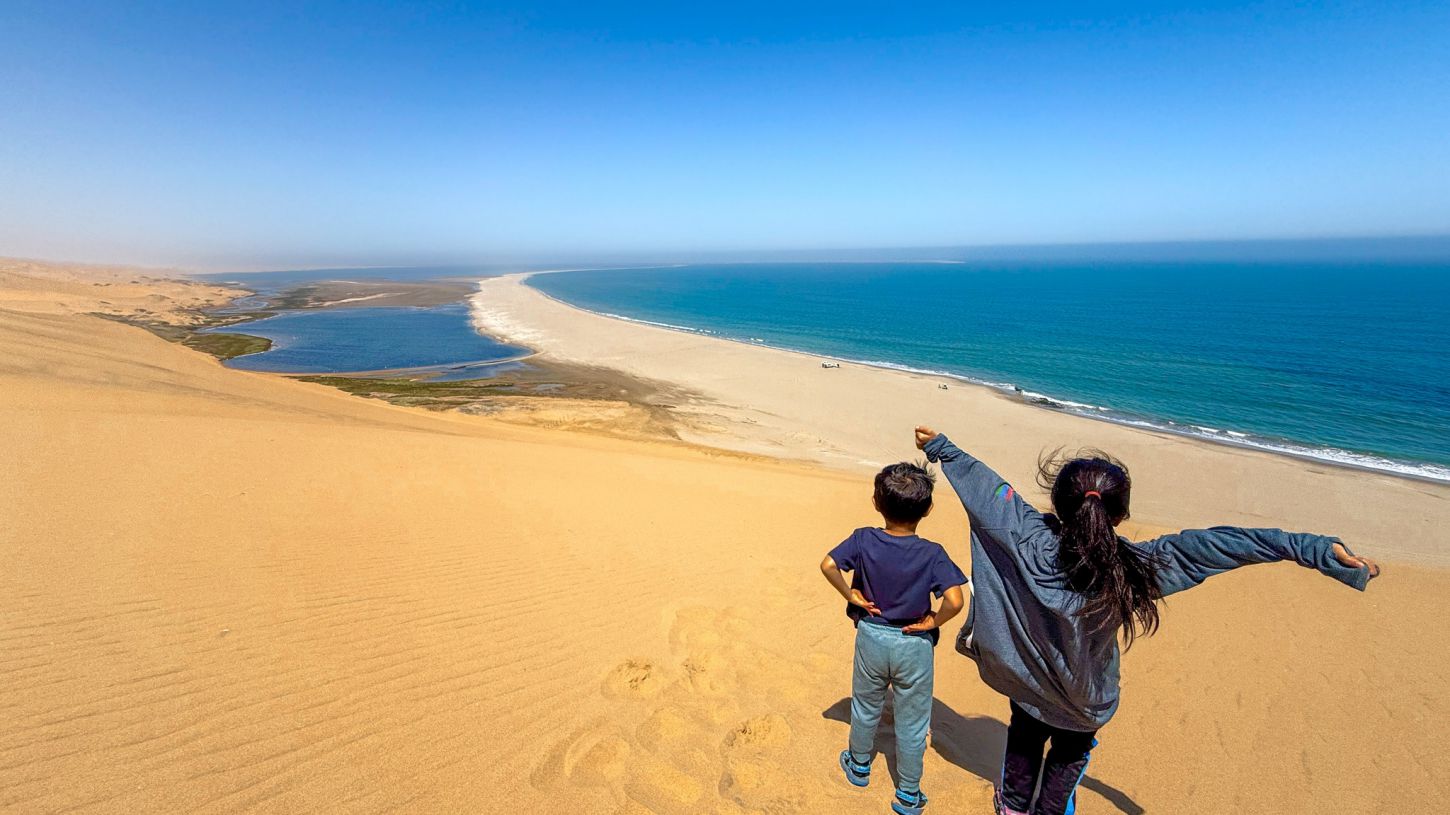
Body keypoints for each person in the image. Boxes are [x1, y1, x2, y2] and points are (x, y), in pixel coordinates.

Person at [913, 426, 1380, 815]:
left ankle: (1012, 806)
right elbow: (1221, 546)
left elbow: (988, 489)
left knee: (1024, 740)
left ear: (1057, 501)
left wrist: (942, 448)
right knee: (1069, 757)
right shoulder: (1135, 571)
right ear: (1120, 515)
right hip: (1083, 701)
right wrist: (1314, 550)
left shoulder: (1020, 535)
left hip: (1027, 686)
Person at [820, 462, 969, 815]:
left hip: (872, 636)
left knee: (865, 705)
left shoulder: (863, 538)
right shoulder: (932, 553)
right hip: (913, 644)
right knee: (914, 721)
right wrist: (932, 621)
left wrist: (850, 595)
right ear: (928, 509)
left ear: (876, 501)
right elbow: (956, 600)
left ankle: (858, 766)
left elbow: (828, 564)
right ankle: (907, 794)